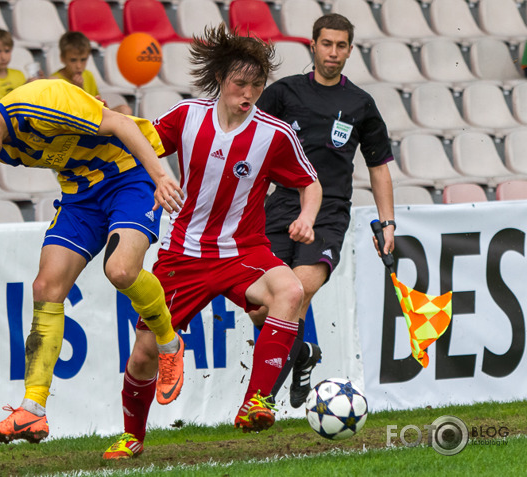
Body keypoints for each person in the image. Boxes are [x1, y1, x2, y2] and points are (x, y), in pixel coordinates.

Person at [102, 24, 323, 460]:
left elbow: (310, 183)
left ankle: (256, 401)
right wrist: (152, 177)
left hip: (244, 251)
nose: (249, 93)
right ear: (221, 79)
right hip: (183, 255)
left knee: (291, 290)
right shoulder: (186, 117)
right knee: (144, 355)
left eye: (257, 85)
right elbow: (140, 149)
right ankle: (132, 437)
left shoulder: (274, 134)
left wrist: (307, 217)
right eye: (241, 83)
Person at [0, 79, 186, 444]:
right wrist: (83, 104)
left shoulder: (37, 105)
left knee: (120, 271)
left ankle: (168, 344)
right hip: (80, 193)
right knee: (45, 288)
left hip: (129, 174)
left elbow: (120, 124)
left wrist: (160, 175)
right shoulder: (0, 145)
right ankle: (32, 410)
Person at [253, 13, 395, 409]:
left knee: (294, 294)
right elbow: (251, 146)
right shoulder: (282, 94)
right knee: (261, 309)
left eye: (341, 45)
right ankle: (303, 355)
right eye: (326, 44)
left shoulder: (361, 104)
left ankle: (261, 401)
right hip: (280, 207)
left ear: (350, 50)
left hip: (330, 214)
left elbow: (379, 167)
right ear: (313, 46)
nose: (333, 53)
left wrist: (387, 223)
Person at [51, 31, 133, 115]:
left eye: (83, 60)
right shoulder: (55, 81)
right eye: (73, 60)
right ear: (62, 58)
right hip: (74, 122)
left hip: (93, 117)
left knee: (125, 109)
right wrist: (78, 91)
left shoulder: (88, 75)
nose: (79, 66)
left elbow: (96, 106)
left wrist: (102, 106)